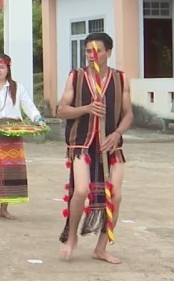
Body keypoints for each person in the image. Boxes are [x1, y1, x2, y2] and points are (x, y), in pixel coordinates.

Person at [56, 33, 133, 264]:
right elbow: (61, 110)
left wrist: (117, 133)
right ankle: (71, 238)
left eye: (97, 50)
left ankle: (101, 248)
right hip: (82, 143)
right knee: (81, 191)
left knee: (115, 196)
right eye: (88, 51)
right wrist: (87, 108)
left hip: (111, 145)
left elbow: (128, 114)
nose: (92, 55)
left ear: (108, 53)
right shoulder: (76, 77)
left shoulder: (120, 79)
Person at [0, 53, 44, 220]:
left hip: (14, 135)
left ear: (8, 69)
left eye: (2, 67)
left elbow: (28, 105)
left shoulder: (17, 87)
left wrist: (38, 119)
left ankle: (4, 208)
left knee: (11, 172)